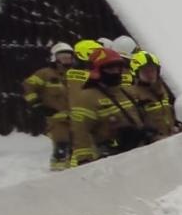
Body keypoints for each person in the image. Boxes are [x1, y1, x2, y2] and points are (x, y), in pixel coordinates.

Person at [66, 47, 150, 167]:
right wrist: (86, 163)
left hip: (140, 155)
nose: (116, 72)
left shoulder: (126, 92)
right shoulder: (86, 98)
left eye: (118, 68)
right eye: (110, 68)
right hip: (110, 163)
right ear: (97, 71)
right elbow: (80, 134)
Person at [23, 42, 76, 171]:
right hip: (56, 117)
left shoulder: (75, 74)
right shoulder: (45, 74)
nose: (66, 60)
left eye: (68, 57)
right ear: (55, 58)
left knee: (77, 147)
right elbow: (28, 87)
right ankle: (57, 170)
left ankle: (74, 172)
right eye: (62, 57)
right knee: (61, 143)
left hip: (75, 117)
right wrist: (37, 104)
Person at [125, 51, 176, 139]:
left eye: (153, 70)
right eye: (145, 71)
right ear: (136, 73)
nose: (150, 74)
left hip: (170, 137)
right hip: (151, 144)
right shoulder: (132, 93)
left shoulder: (162, 89)